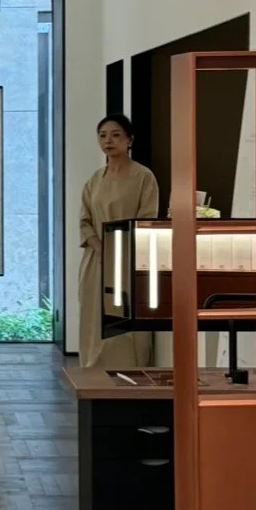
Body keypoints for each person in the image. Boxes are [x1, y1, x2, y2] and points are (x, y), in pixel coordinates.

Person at [78, 113, 159, 369]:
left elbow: (148, 220)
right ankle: (92, 375)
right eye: (102, 136)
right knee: (93, 318)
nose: (108, 141)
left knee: (124, 321)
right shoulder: (95, 179)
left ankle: (130, 375)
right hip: (96, 259)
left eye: (115, 135)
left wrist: (118, 249)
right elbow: (84, 219)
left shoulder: (143, 177)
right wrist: (99, 246)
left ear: (129, 140)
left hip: (128, 260)